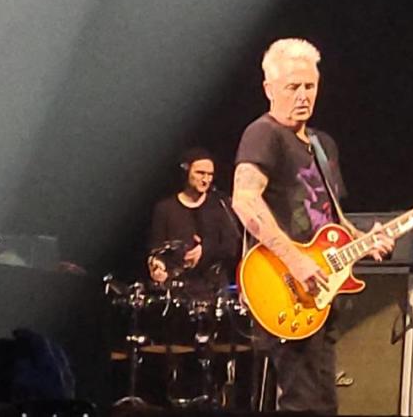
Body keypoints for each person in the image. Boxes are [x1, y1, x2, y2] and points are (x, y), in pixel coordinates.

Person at [230, 38, 393, 415]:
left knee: (322, 403)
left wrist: (363, 241)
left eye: (310, 86)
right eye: (293, 87)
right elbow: (245, 199)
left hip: (321, 289)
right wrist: (295, 260)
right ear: (269, 88)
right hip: (283, 283)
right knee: (301, 402)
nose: (303, 95)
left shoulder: (323, 144)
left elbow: (330, 217)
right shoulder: (263, 133)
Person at [147, 148, 241, 297]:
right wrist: (157, 265)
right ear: (186, 172)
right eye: (200, 173)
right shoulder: (165, 209)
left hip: (214, 291)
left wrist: (205, 250)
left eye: (210, 175)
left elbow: (232, 247)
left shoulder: (220, 205)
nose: (206, 180)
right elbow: (156, 249)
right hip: (178, 291)